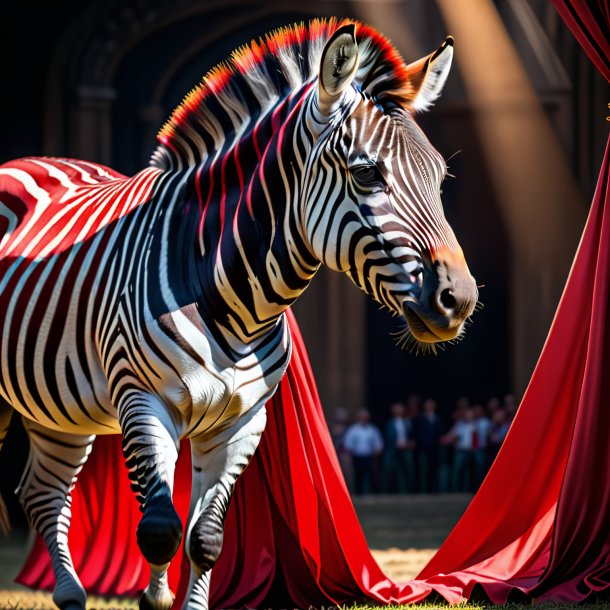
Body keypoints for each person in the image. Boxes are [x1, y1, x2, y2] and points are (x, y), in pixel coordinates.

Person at [343, 409, 384, 495]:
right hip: (357, 456)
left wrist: (378, 449)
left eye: (366, 417)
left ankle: (370, 493)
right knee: (358, 475)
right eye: (362, 417)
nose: (364, 419)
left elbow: (378, 442)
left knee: (370, 476)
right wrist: (350, 450)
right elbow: (347, 442)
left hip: (369, 456)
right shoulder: (353, 430)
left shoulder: (372, 430)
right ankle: (359, 493)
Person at [382, 402, 416, 493]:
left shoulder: (407, 422)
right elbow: (387, 438)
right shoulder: (389, 423)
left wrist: (409, 444)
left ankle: (408, 490)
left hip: (405, 449)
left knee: (408, 470)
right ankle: (387, 491)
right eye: (396, 409)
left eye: (400, 409)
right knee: (389, 469)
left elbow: (412, 436)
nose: (398, 411)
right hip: (393, 450)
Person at [441, 406, 476, 492]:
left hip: (473, 451)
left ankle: (467, 491)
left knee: (468, 473)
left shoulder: (476, 424)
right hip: (460, 451)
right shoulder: (459, 424)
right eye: (466, 414)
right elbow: (451, 436)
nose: (467, 416)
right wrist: (445, 439)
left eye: (469, 414)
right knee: (457, 472)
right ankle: (455, 491)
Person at [414, 398, 443, 493]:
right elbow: (416, 434)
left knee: (433, 470)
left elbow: (440, 434)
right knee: (423, 471)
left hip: (434, 450)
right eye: (427, 405)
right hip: (423, 449)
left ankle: (433, 490)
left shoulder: (437, 419)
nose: (429, 407)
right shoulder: (420, 418)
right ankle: (423, 490)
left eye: (431, 405)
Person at [472, 404, 491, 486]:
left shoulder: (486, 422)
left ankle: (480, 486)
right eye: (475, 410)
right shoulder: (470, 422)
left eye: (479, 410)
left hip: (480, 449)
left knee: (481, 469)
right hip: (468, 449)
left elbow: (489, 435)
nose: (477, 412)